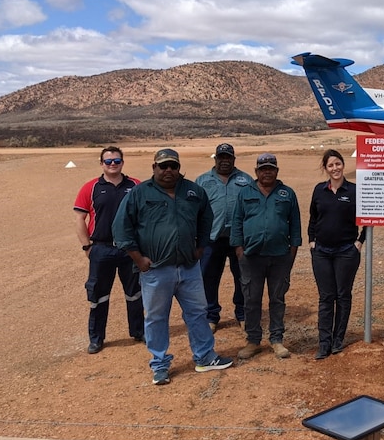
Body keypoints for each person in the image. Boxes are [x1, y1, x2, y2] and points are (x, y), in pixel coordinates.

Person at [113, 148, 233, 385]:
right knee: (157, 318)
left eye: (173, 166)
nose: (168, 171)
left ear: (179, 168)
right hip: (156, 270)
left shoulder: (193, 191)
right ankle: (159, 365)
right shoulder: (139, 193)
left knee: (198, 313)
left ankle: (205, 357)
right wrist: (138, 259)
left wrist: (201, 247)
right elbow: (121, 227)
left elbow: (206, 219)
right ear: (154, 168)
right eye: (163, 166)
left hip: (189, 268)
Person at [73, 146, 145, 354]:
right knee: (98, 296)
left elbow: (145, 217)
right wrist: (87, 246)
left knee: (135, 293)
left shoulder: (135, 186)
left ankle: (138, 331)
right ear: (101, 163)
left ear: (122, 162)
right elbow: (80, 218)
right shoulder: (91, 187)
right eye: (108, 161)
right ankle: (96, 338)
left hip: (129, 250)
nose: (112, 164)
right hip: (101, 249)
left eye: (116, 161)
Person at [231, 153, 302, 360]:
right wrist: (239, 250)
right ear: (256, 172)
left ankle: (277, 340)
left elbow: (295, 226)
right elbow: (237, 222)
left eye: (271, 168)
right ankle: (253, 340)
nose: (267, 172)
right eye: (263, 169)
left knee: (277, 299)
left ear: (277, 171)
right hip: (251, 256)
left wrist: (292, 253)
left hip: (280, 257)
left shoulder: (287, 193)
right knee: (251, 300)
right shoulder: (245, 193)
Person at [308, 149, 366, 360]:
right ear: (325, 169)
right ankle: (324, 343)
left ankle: (337, 340)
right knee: (326, 297)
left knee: (343, 295)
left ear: (343, 165)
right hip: (321, 251)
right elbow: (313, 218)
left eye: (338, 164)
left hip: (346, 252)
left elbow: (366, 217)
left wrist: (360, 241)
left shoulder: (354, 191)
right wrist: (312, 241)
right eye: (330, 165)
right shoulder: (319, 190)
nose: (335, 168)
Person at [195, 143, 252, 333]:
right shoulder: (203, 181)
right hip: (211, 239)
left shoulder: (246, 179)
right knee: (208, 278)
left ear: (234, 159)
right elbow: (195, 211)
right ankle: (211, 315)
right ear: (216, 159)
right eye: (221, 157)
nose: (225, 161)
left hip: (239, 239)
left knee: (243, 277)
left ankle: (243, 314)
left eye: (228, 157)